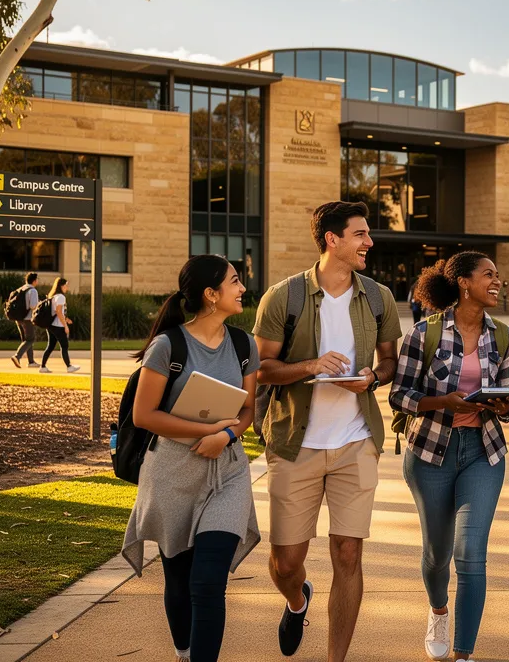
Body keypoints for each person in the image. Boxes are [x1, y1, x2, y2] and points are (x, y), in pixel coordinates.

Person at [253, 201, 402, 662]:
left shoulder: (377, 297)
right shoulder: (284, 297)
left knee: (348, 555)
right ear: (332, 240)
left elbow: (390, 363)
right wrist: (311, 366)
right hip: (295, 444)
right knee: (286, 562)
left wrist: (372, 378)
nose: (369, 243)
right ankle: (297, 602)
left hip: (355, 442)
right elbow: (263, 370)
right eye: (360, 234)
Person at [121, 254, 261, 662]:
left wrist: (228, 435)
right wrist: (209, 433)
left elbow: (249, 410)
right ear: (210, 294)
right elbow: (144, 415)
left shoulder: (242, 343)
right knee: (179, 584)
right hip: (171, 475)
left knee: (207, 582)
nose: (242, 288)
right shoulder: (169, 346)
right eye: (235, 282)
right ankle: (184, 653)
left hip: (228, 476)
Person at [389, 251, 509, 662]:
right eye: (488, 275)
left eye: (498, 275)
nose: (496, 281)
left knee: (471, 553)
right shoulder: (423, 335)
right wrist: (442, 401)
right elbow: (399, 394)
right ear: (464, 283)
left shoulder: (504, 336)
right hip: (430, 453)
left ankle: (464, 655)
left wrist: (502, 407)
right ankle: (438, 610)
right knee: (437, 554)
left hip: (483, 452)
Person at [39, 277, 79, 373]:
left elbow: (57, 312)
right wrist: (65, 325)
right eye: (66, 285)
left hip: (51, 325)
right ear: (61, 286)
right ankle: (69, 366)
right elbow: (58, 312)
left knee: (50, 346)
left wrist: (66, 319)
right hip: (58, 326)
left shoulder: (53, 296)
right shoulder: (61, 297)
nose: (67, 288)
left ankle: (43, 367)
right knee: (64, 346)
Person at [9, 272, 40, 368]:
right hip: (27, 318)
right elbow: (33, 306)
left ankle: (31, 362)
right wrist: (39, 304)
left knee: (25, 340)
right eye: (37, 280)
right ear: (34, 281)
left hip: (18, 318)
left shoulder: (21, 289)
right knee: (30, 339)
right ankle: (17, 356)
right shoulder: (33, 291)